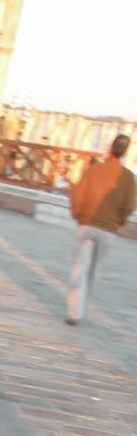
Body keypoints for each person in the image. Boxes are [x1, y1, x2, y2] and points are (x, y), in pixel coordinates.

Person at [66, 132, 135, 324]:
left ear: (109, 148)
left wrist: (78, 215)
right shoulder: (128, 177)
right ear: (125, 152)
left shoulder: (93, 170)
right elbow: (129, 206)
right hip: (109, 230)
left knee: (79, 267)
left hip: (87, 224)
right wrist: (117, 222)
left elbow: (77, 195)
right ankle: (82, 308)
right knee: (94, 271)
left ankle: (74, 313)